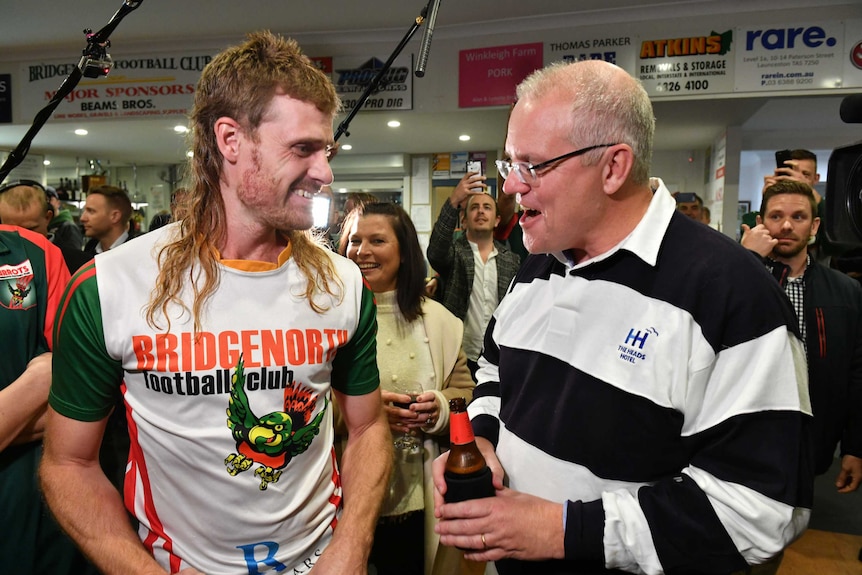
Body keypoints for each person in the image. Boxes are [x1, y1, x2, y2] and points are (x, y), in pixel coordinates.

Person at [433, 59, 813, 574]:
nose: (511, 189)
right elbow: (496, 370)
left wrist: (562, 530)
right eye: (509, 166)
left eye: (533, 166)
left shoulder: (731, 293)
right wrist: (482, 438)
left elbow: (760, 510)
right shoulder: (538, 265)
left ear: (613, 167)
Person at [39, 30, 391, 575]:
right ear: (230, 140)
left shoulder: (342, 284)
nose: (324, 173)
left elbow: (368, 429)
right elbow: (67, 463)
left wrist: (352, 546)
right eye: (303, 149)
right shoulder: (110, 287)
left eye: (327, 150)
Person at [338, 202, 475, 575]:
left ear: (404, 251)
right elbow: (300, 400)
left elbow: (465, 391)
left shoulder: (440, 321)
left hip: (419, 497)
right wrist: (362, 412)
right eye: (354, 241)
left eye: (377, 240)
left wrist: (440, 408)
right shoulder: (329, 319)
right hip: (344, 501)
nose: (362, 251)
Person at [741, 180, 862, 494]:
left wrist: (855, 446)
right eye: (776, 216)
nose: (786, 225)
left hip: (813, 436)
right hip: (744, 434)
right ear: (760, 223)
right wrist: (746, 262)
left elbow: (857, 373)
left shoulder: (846, 291)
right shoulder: (737, 278)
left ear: (814, 225)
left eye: (798, 217)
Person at [0, 221, 96, 574]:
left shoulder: (31, 254)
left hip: (40, 511)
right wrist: (36, 382)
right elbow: (55, 378)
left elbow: (84, 392)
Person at [427, 176, 521, 377]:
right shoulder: (454, 254)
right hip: (460, 355)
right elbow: (436, 250)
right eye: (474, 207)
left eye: (487, 207)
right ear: (464, 219)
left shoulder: (511, 261)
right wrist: (454, 201)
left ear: (497, 220)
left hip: (500, 355)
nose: (480, 211)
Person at [0, 181, 90, 273]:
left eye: (30, 230)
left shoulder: (80, 266)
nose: (22, 238)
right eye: (13, 232)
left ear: (47, 218)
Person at [80, 184, 137, 255]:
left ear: (115, 216)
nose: (82, 218)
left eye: (91, 211)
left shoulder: (137, 253)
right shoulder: (90, 248)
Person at [45, 184, 85, 253]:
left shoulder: (69, 227)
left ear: (58, 203)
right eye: (44, 200)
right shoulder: (45, 225)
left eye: (49, 199)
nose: (47, 203)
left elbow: (75, 256)